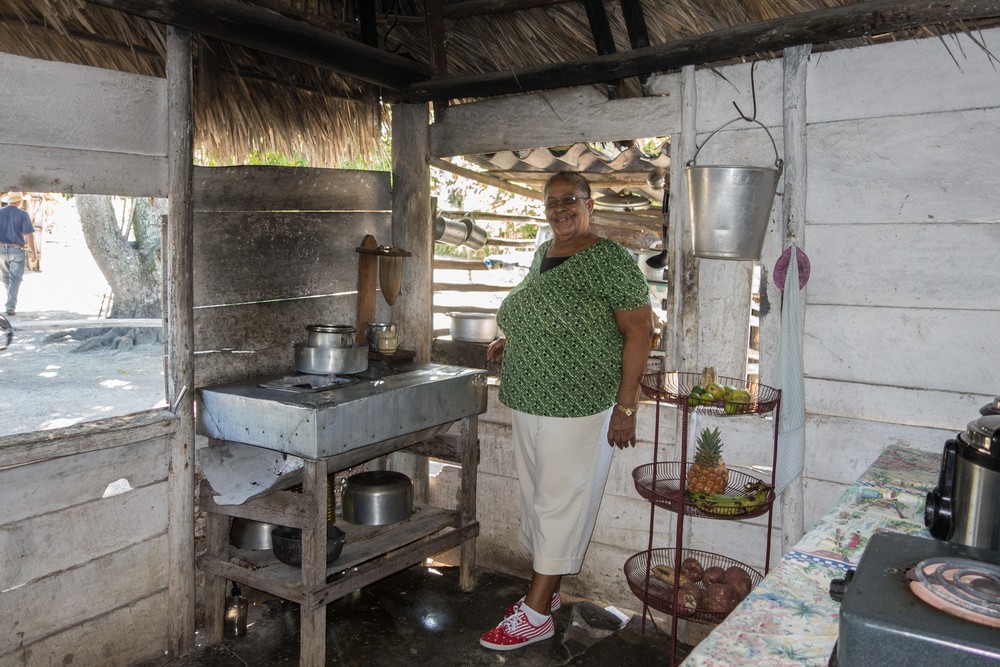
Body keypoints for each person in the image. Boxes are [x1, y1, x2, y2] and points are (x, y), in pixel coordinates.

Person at [479, 171, 653, 651]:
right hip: (530, 395)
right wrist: (515, 336)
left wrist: (627, 405)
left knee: (560, 503)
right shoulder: (544, 252)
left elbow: (640, 333)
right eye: (551, 201)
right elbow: (548, 308)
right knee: (537, 497)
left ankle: (535, 614)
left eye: (569, 200)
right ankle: (548, 591)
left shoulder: (611, 260)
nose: (560, 209)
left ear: (589, 203)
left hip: (577, 403)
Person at [0, 192, 37, 316]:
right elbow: (29, 235)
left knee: (5, 277)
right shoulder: (23, 214)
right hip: (16, 249)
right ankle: (10, 305)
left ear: (9, 201)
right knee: (15, 279)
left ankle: (10, 301)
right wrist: (33, 252)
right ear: (20, 201)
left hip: (0, 250)